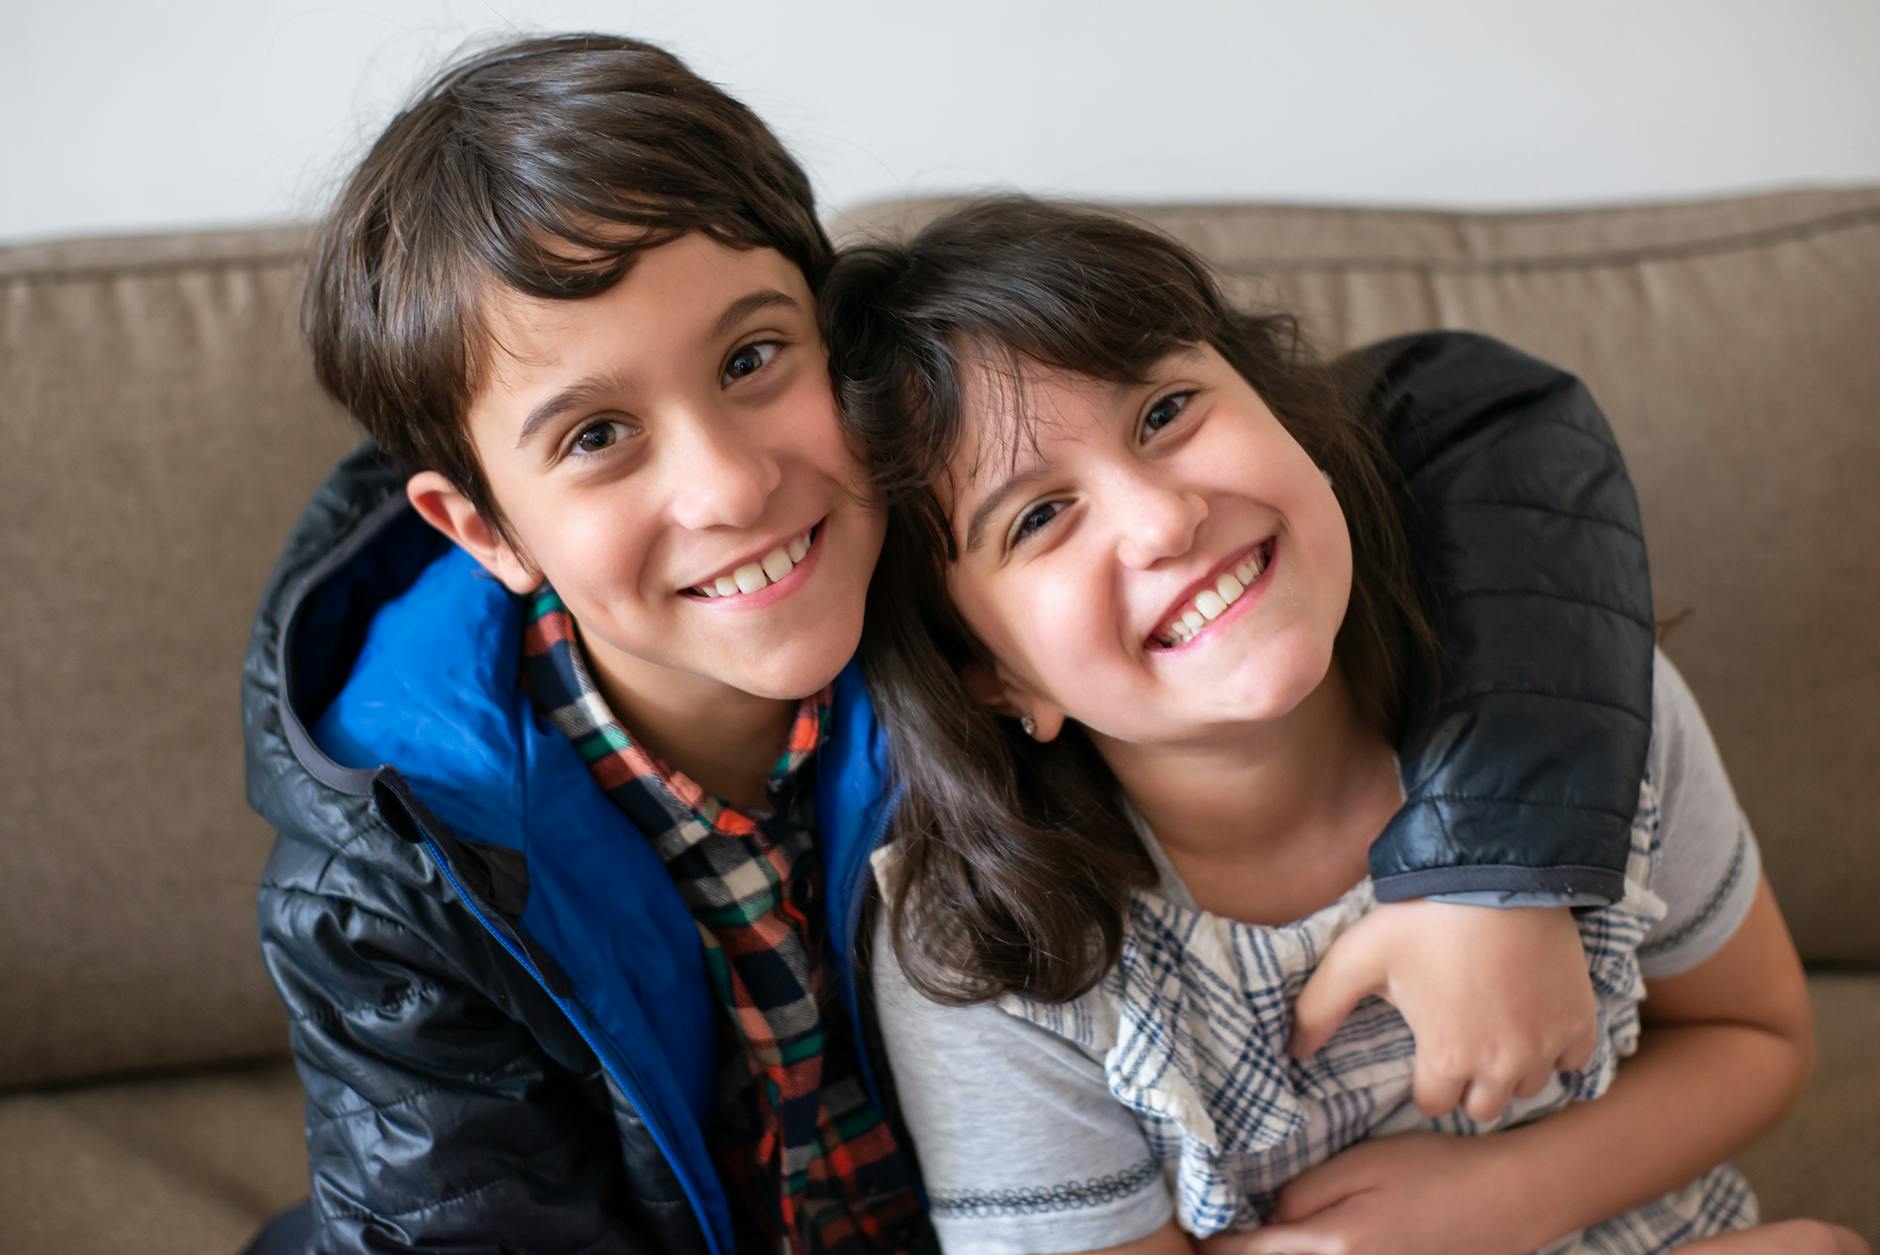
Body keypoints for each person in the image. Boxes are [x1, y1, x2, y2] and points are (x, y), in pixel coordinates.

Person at [244, 33, 1667, 1255]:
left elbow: (1476, 422)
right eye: (599, 438)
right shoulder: (395, 873)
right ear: (482, 526)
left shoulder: (990, 590)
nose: (731, 486)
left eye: (752, 360)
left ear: (835, 336)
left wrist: (1495, 867)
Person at [822, 197, 1868, 1255]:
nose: (1162, 518)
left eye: (1164, 413)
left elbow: (1757, 1036)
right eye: (1038, 516)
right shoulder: (988, 947)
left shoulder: (1592, 716)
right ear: (994, 678)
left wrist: (1504, 1196)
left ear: (1285, 419)